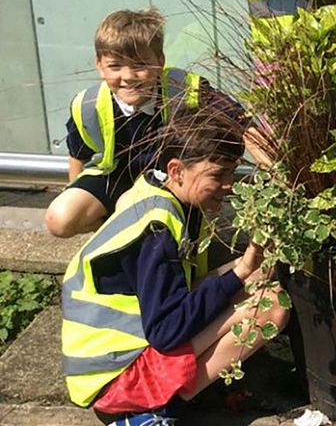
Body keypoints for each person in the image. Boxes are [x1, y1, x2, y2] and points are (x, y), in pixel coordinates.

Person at [60, 107, 288, 425]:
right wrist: (241, 270)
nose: (229, 185)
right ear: (177, 170)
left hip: (111, 359)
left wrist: (248, 270)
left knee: (260, 274)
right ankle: (160, 406)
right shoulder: (157, 231)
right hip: (116, 379)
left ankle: (165, 396)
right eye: (217, 175)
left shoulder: (153, 191)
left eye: (232, 173)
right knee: (272, 307)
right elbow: (166, 332)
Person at [45, 8, 246, 238]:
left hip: (167, 181)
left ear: (159, 62)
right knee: (58, 219)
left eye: (139, 65)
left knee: (131, 208)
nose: (128, 76)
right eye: (115, 66)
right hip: (114, 176)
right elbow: (77, 156)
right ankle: (113, 235)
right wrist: (75, 191)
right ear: (99, 65)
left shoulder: (185, 89)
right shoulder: (88, 105)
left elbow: (241, 121)